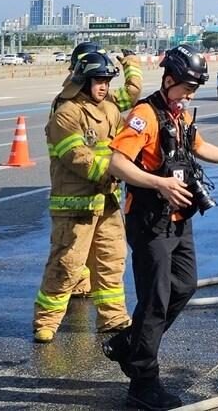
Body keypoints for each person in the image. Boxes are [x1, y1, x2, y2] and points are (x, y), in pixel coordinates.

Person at [104, 45, 218, 410]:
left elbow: (201, 147)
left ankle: (129, 343)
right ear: (168, 81)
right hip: (149, 222)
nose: (190, 95)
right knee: (155, 301)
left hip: (179, 220)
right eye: (187, 88)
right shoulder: (145, 115)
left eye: (194, 90)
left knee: (185, 285)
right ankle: (143, 383)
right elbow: (116, 163)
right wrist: (159, 183)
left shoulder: (178, 116)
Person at [32, 47, 142, 342]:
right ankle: (46, 321)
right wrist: (120, 172)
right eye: (98, 81)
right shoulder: (66, 112)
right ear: (83, 80)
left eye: (107, 80)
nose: (104, 86)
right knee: (67, 264)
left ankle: (113, 317)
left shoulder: (109, 110)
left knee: (111, 260)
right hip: (75, 206)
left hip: (106, 201)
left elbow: (125, 144)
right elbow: (79, 158)